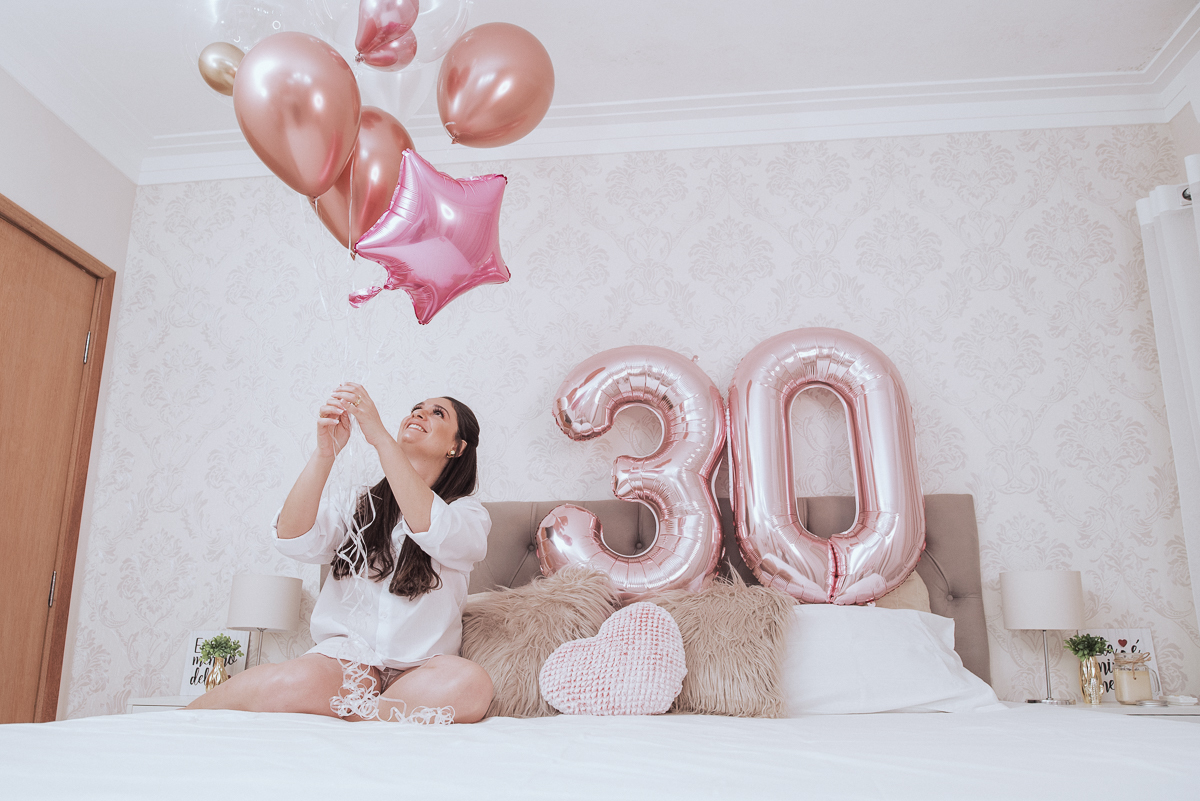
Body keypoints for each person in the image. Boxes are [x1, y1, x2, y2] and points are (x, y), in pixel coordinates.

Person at [187, 382, 494, 723]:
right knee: (288, 679)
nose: (419, 413)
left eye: (438, 413)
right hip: (345, 666)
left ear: (457, 446)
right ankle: (181, 718)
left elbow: (430, 525)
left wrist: (380, 438)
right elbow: (291, 536)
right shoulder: (357, 504)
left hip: (421, 674)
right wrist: (325, 453)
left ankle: (359, 717)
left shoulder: (469, 515)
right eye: (417, 407)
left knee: (471, 683)